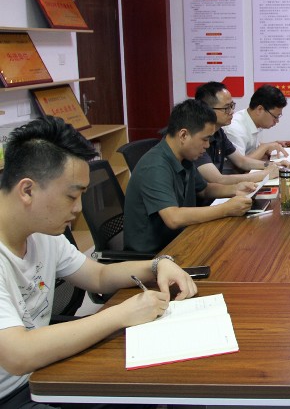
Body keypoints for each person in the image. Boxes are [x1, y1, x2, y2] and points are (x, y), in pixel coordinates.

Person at [0, 116, 197, 408]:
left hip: (45, 371)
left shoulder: (41, 232)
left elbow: (98, 277)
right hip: (13, 393)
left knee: (156, 384)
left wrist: (157, 265)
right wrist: (120, 314)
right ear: (27, 190)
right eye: (72, 196)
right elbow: (18, 355)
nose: (78, 209)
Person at [124, 99, 255, 253]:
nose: (207, 145)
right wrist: (226, 209)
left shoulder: (183, 156)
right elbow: (173, 218)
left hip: (181, 238)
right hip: (155, 254)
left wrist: (235, 189)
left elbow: (204, 190)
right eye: (205, 139)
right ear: (183, 135)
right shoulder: (155, 166)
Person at [195, 82, 283, 184]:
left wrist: (272, 165)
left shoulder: (219, 132)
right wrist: (265, 174)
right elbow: (218, 179)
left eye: (232, 105)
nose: (232, 111)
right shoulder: (196, 138)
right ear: (207, 110)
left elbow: (241, 161)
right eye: (226, 108)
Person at [223, 84, 288, 162]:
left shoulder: (251, 120)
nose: (277, 121)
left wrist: (272, 145)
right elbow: (240, 163)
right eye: (275, 116)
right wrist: (265, 147)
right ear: (260, 109)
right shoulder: (235, 128)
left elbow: (252, 148)